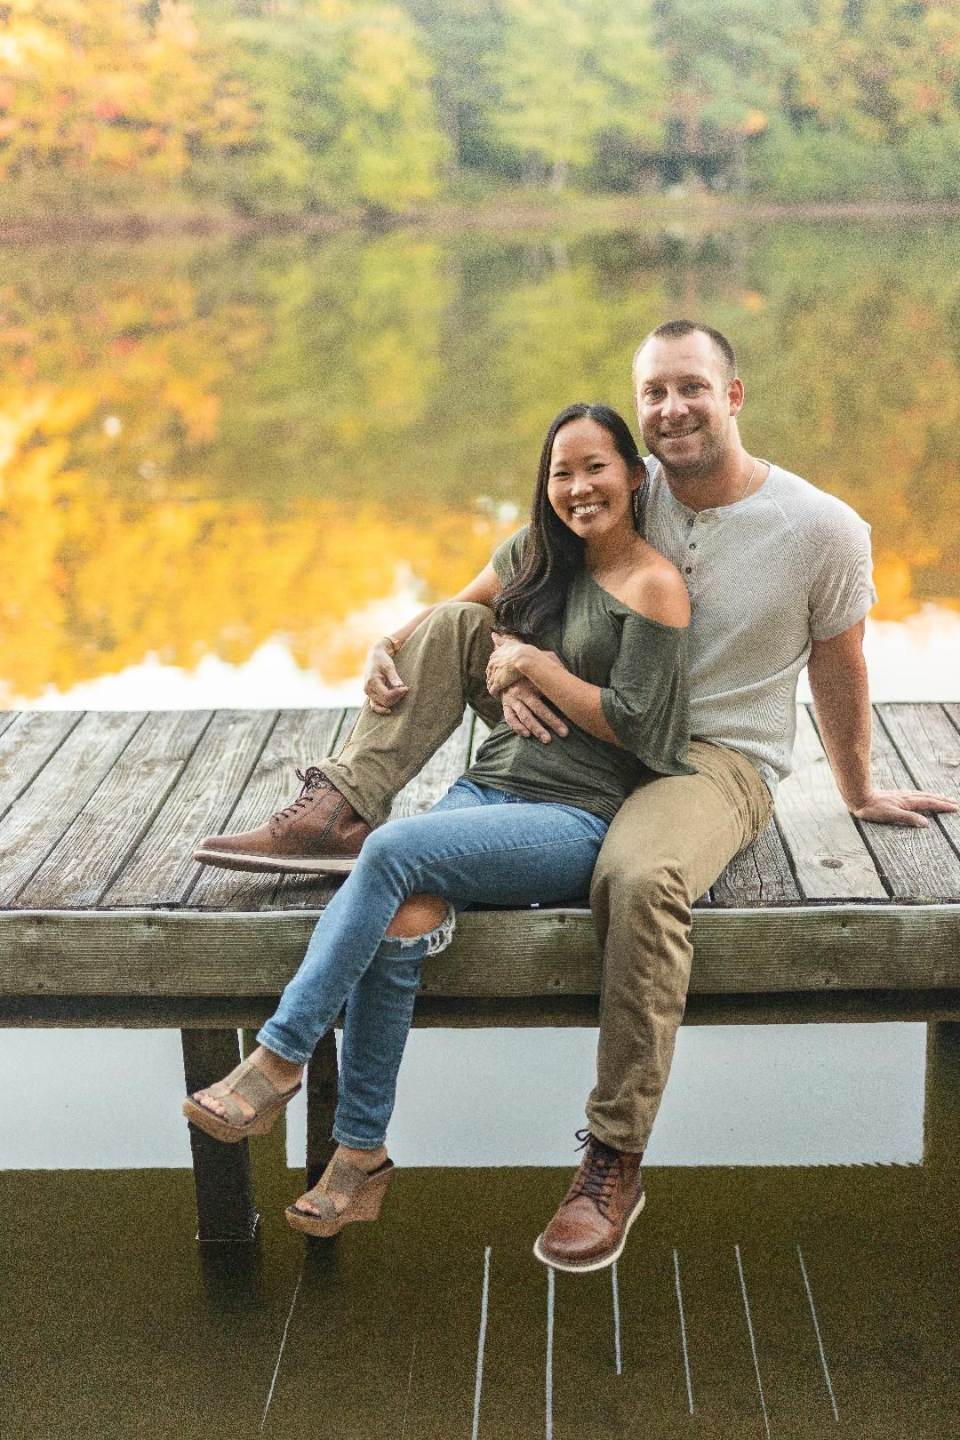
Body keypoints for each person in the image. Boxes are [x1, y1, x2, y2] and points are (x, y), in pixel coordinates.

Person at [195, 320, 958, 1273]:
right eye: (655, 393)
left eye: (691, 386)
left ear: (733, 395)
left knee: (637, 877)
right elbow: (482, 599)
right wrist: (428, 646)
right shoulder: (619, 493)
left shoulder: (821, 528)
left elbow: (840, 664)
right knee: (448, 644)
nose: (672, 408)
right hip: (579, 731)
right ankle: (341, 807)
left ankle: (613, 1157)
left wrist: (858, 785)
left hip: (706, 758)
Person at [185, 401, 692, 1248]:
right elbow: (453, 616)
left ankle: (277, 1058)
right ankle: (361, 1155)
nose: (578, 488)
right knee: (401, 920)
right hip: (487, 791)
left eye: (597, 468)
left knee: (388, 851)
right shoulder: (535, 555)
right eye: (561, 473)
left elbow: (643, 729)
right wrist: (389, 643)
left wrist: (532, 664)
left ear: (635, 477)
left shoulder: (655, 586)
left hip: (576, 819)